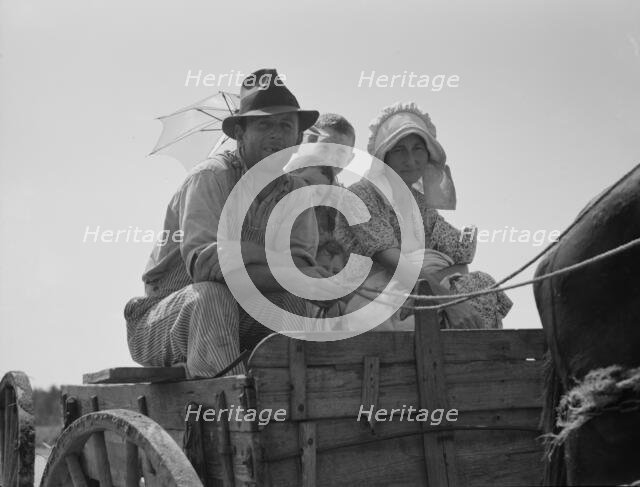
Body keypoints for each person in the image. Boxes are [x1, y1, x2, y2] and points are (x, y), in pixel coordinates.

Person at [124, 69, 329, 378]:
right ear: (240, 135)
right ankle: (227, 408)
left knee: (295, 304)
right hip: (165, 318)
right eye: (264, 124)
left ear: (298, 139)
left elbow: (303, 273)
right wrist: (278, 263)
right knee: (213, 295)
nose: (276, 134)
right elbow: (208, 268)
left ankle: (288, 400)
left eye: (286, 126)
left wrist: (245, 252)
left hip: (243, 314)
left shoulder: (297, 192)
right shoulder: (210, 178)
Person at [334, 102, 512, 331]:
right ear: (384, 156)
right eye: (399, 150)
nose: (411, 160)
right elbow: (392, 260)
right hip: (375, 297)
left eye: (418, 149)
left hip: (420, 289)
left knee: (481, 285)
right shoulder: (360, 195)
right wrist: (447, 300)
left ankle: (476, 359)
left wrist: (444, 280)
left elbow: (460, 255)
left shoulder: (420, 204)